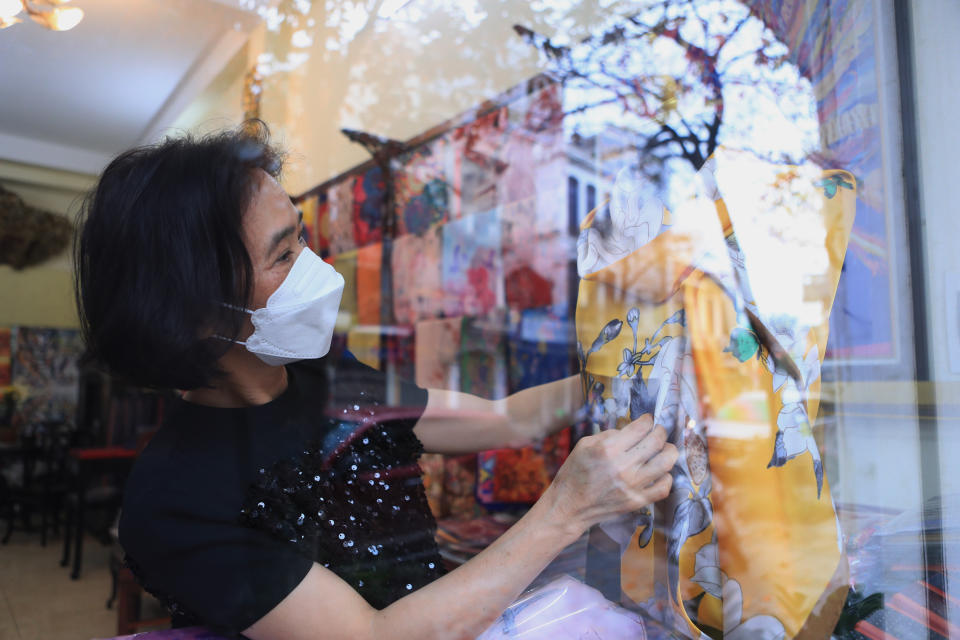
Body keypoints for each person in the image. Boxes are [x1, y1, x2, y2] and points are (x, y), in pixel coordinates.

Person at [73, 122, 677, 640]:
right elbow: (371, 636)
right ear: (194, 313)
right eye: (282, 256)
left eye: (302, 236)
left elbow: (506, 419)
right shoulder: (178, 499)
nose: (319, 268)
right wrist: (563, 512)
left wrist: (623, 370)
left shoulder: (328, 376)